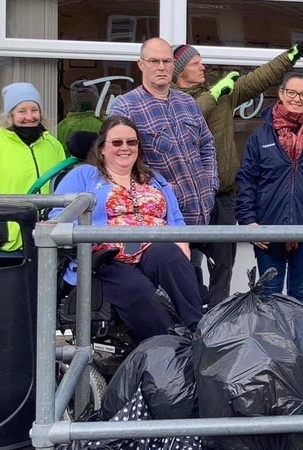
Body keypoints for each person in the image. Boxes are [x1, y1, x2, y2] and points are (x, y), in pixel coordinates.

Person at [169, 34, 303, 303]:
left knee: (222, 265)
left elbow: (260, 77)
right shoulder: (171, 100)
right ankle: (189, 323)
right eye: (196, 63)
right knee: (185, 264)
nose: (203, 67)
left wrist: (292, 55)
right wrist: (214, 95)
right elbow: (185, 120)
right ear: (180, 71)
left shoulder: (223, 95)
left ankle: (216, 323)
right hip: (187, 201)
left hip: (224, 197)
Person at [52, 116, 204, 340]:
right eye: (117, 143)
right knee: (140, 290)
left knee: (172, 258)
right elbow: (58, 216)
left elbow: (175, 218)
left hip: (153, 245)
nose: (125, 148)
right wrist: (92, 236)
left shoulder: (154, 179)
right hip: (106, 256)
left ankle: (199, 334)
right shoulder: (83, 175)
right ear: (102, 148)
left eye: (131, 142)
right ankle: (171, 347)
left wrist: (181, 239)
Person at [236, 70, 303, 305]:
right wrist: (249, 223)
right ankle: (270, 342)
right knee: (269, 295)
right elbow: (247, 180)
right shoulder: (260, 134)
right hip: (267, 229)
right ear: (281, 94)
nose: (297, 98)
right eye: (292, 92)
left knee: (299, 294)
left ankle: (297, 342)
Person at [108, 37, 218, 227]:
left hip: (203, 213)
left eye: (167, 61)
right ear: (141, 64)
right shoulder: (126, 107)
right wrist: (158, 194)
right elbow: (118, 164)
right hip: (162, 222)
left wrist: (210, 183)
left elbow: (207, 145)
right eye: (154, 61)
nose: (161, 67)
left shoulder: (187, 103)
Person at [0, 82, 67, 255]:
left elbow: (64, 186)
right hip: (9, 248)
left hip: (50, 241)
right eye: (22, 111)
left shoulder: (53, 145)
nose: (29, 117)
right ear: (10, 114)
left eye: (34, 110)